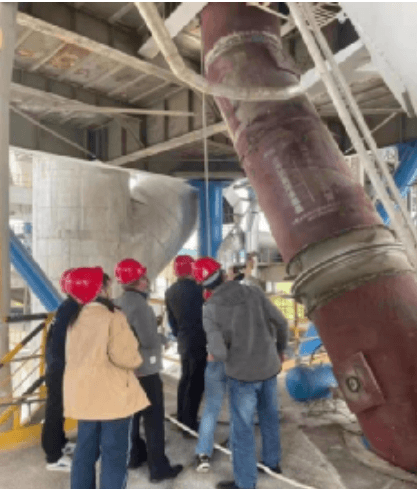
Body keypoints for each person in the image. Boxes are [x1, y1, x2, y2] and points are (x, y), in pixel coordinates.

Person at [193, 257, 288, 489]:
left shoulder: (210, 309)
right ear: (223, 274)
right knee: (269, 416)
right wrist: (279, 349)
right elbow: (282, 323)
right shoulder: (254, 292)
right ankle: (272, 462)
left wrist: (214, 354)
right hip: (268, 367)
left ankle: (245, 483)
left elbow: (218, 352)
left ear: (204, 286)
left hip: (243, 375)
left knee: (243, 430)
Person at [63, 267, 149, 489]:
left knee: (84, 452)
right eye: (105, 285)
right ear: (99, 289)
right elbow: (127, 357)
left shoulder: (75, 319)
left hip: (84, 397)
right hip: (112, 399)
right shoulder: (113, 317)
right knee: (114, 456)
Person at [115, 258, 183, 483]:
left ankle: (134, 456)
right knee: (153, 420)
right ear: (139, 281)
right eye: (144, 277)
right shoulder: (140, 306)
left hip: (126, 369)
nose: (147, 280)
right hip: (145, 370)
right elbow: (149, 340)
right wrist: (163, 339)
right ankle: (158, 468)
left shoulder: (118, 303)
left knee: (132, 416)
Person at [194, 267, 244, 472]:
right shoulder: (239, 301)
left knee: (211, 407)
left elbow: (213, 336)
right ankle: (235, 450)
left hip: (215, 359)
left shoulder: (209, 305)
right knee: (237, 407)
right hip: (237, 360)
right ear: (222, 277)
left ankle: (203, 454)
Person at [165, 255, 207, 434]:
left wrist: (180, 335)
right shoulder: (199, 290)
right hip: (199, 340)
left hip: (183, 340)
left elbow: (171, 321)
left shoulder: (170, 291)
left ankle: (182, 419)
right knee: (196, 383)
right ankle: (189, 425)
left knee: (185, 380)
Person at [42, 268, 78, 472]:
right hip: (59, 368)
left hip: (56, 365)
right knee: (55, 410)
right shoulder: (72, 309)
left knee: (59, 408)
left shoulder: (67, 306)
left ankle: (60, 443)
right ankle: (53, 457)